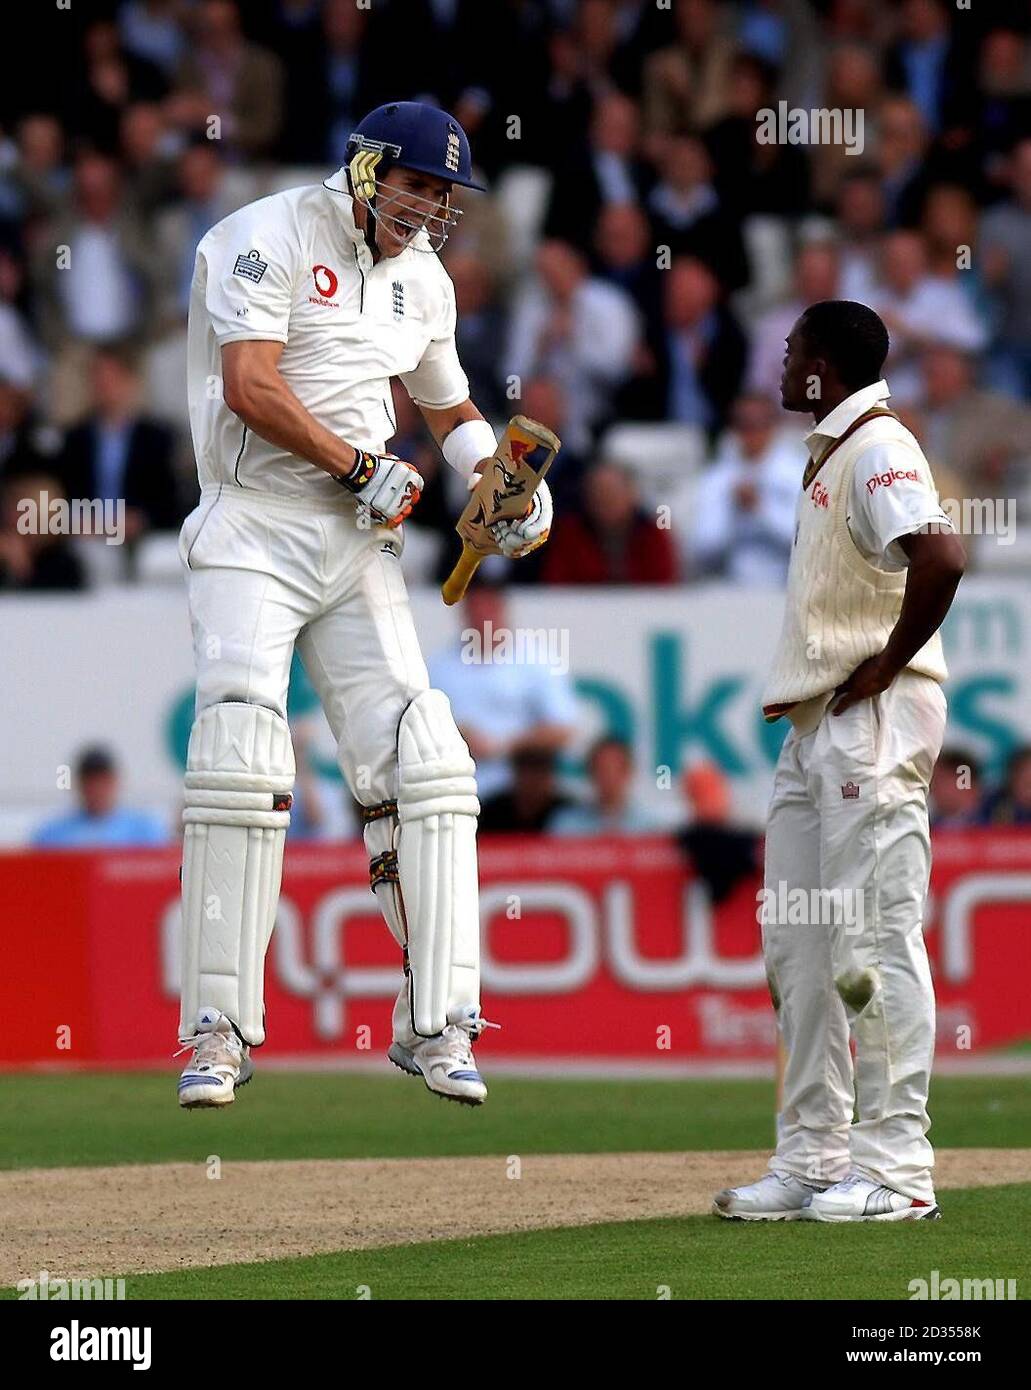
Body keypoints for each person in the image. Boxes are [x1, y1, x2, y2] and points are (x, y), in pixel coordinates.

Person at [175, 101, 553, 1112]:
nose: (426, 210)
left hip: (358, 542)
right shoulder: (264, 235)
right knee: (241, 750)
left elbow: (449, 408)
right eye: (415, 186)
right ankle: (216, 1028)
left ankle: (437, 1020)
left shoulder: (421, 280)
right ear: (367, 168)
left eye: (442, 197)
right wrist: (355, 465)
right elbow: (249, 383)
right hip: (253, 526)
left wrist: (503, 485)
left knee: (426, 763)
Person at [714, 300, 965, 1224]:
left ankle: (898, 1171)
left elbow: (940, 555)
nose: (780, 367)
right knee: (802, 948)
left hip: (870, 717)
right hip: (816, 719)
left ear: (822, 366)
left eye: (790, 353)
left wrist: (890, 662)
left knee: (872, 939)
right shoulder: (831, 454)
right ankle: (815, 1159)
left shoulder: (875, 445)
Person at [33, 746, 168, 847]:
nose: (97, 790)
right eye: (90, 782)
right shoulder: (53, 834)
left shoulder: (144, 830)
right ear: (79, 785)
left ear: (115, 782)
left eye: (103, 782)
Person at [550, 736, 662, 835]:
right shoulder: (566, 825)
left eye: (615, 769)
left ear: (629, 772)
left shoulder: (649, 828)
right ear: (591, 773)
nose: (609, 777)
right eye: (602, 769)